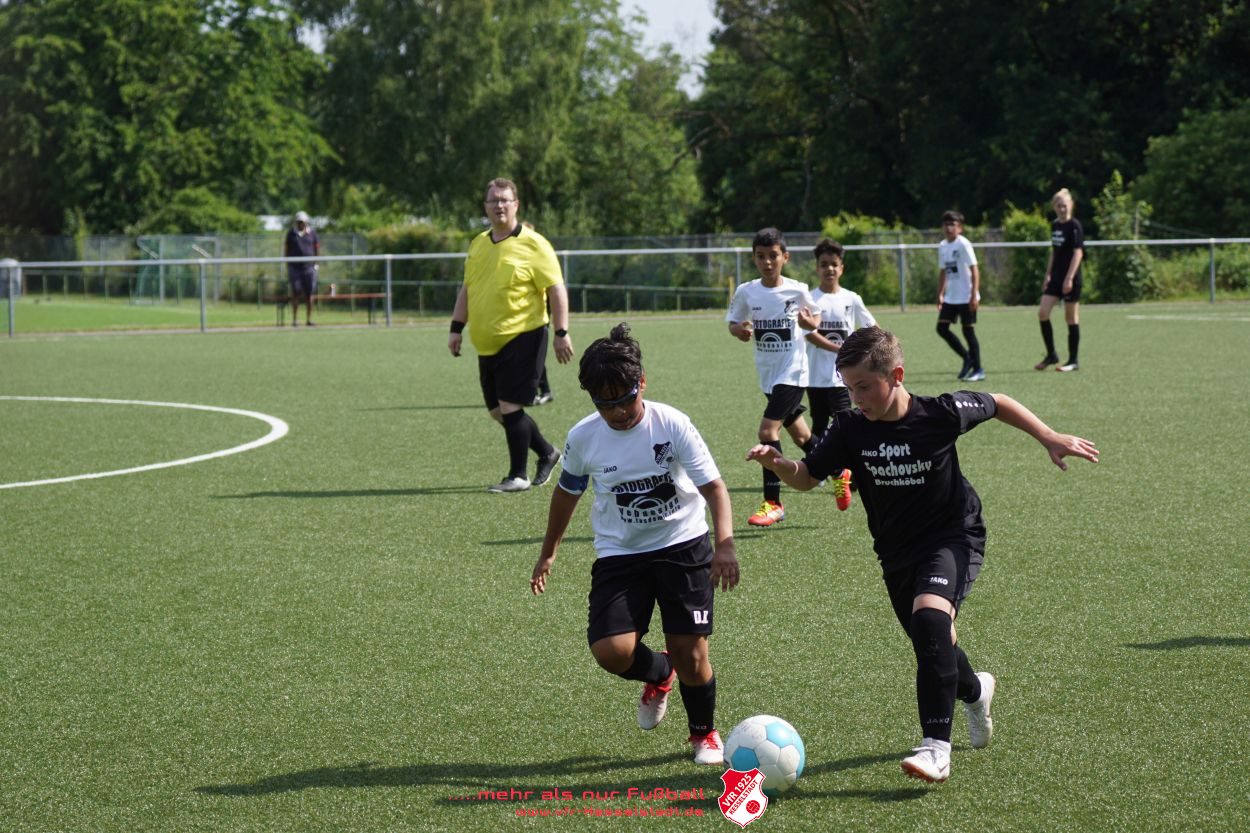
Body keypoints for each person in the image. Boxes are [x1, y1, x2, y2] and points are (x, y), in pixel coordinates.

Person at [746, 326, 1098, 784]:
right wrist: (777, 464)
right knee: (932, 641)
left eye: (864, 386)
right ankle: (975, 690)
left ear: (896, 375)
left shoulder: (940, 413)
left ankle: (936, 748)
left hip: (953, 536)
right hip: (896, 551)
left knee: (931, 622)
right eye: (849, 388)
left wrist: (1048, 436)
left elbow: (998, 402)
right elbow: (807, 476)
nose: (856, 398)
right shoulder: (850, 427)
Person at [530, 323, 739, 765]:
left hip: (683, 545)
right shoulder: (584, 437)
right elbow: (566, 493)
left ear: (641, 382)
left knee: (691, 652)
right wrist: (549, 552)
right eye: (605, 404)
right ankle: (660, 673)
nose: (618, 412)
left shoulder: (672, 424)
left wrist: (725, 544)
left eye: (625, 399)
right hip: (621, 553)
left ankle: (703, 733)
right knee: (612, 652)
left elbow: (714, 488)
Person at [448, 177, 573, 492]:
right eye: (493, 200)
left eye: (505, 200)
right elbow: (468, 289)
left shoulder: (534, 244)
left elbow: (556, 289)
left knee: (509, 406)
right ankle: (547, 452)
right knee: (497, 412)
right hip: (486, 343)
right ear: (485, 207)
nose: (499, 205)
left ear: (516, 205)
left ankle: (518, 476)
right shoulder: (478, 244)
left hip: (524, 335)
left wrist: (561, 332)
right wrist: (456, 328)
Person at [726, 227, 827, 527]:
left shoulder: (797, 290)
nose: (767, 262)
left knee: (767, 432)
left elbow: (815, 317)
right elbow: (733, 322)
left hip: (793, 373)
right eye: (761, 256)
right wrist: (738, 330)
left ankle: (773, 503)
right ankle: (839, 468)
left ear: (785, 257)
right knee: (802, 437)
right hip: (768, 375)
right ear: (754, 258)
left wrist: (809, 323)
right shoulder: (747, 291)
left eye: (773, 256)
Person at [805, 238, 877, 442]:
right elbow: (809, 334)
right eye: (824, 264)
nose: (829, 269)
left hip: (843, 376)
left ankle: (849, 461)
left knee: (844, 421)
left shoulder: (851, 298)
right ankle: (820, 461)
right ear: (817, 268)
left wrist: (868, 348)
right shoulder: (809, 299)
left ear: (841, 268)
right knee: (819, 424)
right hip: (815, 376)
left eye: (834, 264)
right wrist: (841, 349)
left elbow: (872, 328)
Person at [1036, 188, 1084, 372]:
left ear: (1071, 205)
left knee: (1070, 318)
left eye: (1064, 205)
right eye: (1058, 206)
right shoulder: (1055, 225)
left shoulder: (1075, 226)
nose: (1062, 209)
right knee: (1043, 313)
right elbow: (1054, 252)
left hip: (1071, 278)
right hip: (1055, 279)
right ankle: (1051, 355)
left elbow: (1078, 253)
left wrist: (1069, 278)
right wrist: (1048, 275)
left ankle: (1073, 360)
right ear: (1054, 207)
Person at [935, 210, 984, 381]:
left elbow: (974, 269)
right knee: (941, 328)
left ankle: (978, 369)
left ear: (960, 228)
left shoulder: (964, 244)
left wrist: (973, 295)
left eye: (953, 225)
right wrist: (940, 294)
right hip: (951, 297)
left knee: (968, 331)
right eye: (946, 224)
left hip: (966, 296)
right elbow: (943, 271)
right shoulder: (943, 246)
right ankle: (966, 357)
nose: (949, 228)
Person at [284, 211, 319, 326]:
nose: (300, 224)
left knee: (309, 294)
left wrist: (316, 263)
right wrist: (288, 264)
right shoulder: (291, 234)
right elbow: (286, 249)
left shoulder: (312, 233)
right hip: (295, 268)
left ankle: (309, 319)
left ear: (306, 222)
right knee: (296, 292)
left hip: (309, 268)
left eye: (302, 222)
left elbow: (316, 249)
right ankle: (295, 320)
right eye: (298, 222)